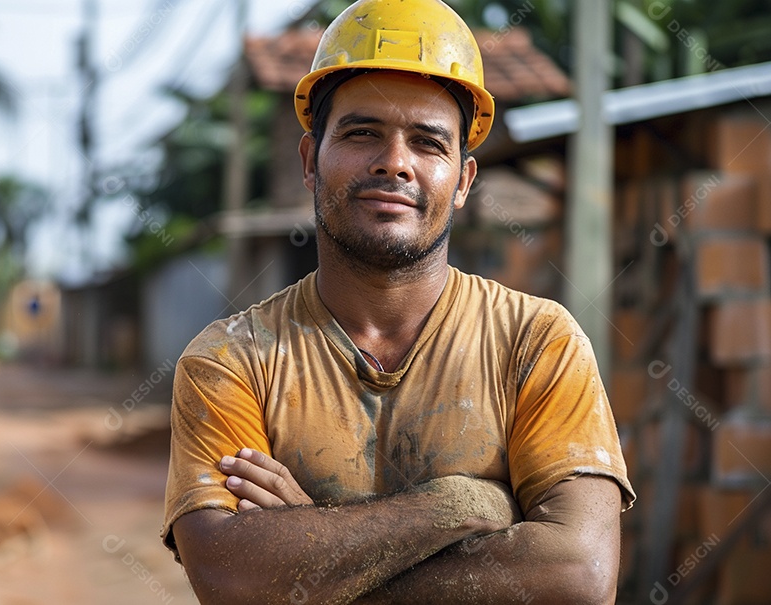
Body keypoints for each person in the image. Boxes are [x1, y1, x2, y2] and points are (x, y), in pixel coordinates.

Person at [161, 0, 636, 602]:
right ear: (311, 162)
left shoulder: (537, 343)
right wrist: (457, 505)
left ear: (462, 180)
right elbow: (229, 575)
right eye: (363, 134)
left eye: (428, 143)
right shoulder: (232, 363)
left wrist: (313, 559)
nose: (394, 162)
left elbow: (579, 578)